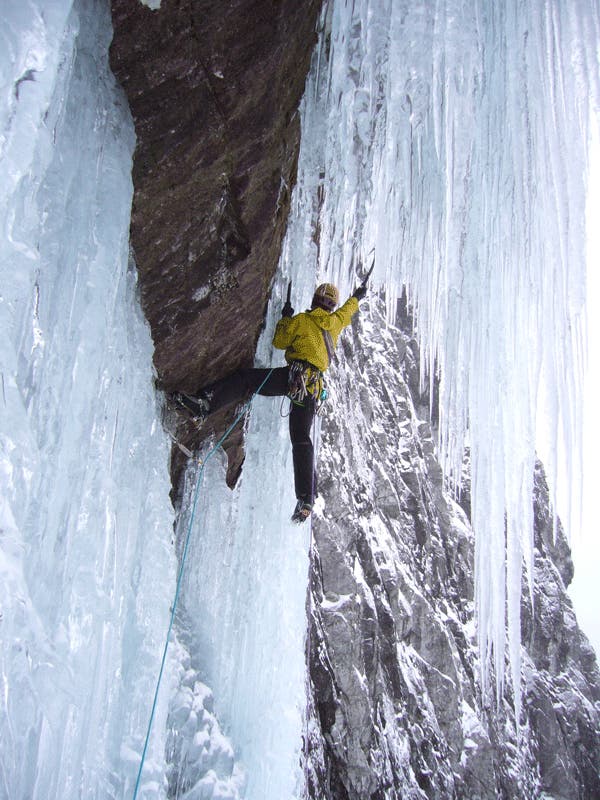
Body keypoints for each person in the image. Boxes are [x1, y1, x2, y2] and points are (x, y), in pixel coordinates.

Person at [170, 281, 367, 523]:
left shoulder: (302, 322)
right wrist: (358, 296)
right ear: (332, 306)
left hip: (292, 378)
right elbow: (348, 311)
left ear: (315, 300)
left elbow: (280, 341)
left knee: (246, 380)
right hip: (311, 390)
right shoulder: (335, 324)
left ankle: (203, 406)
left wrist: (285, 316)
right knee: (302, 440)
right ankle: (306, 497)